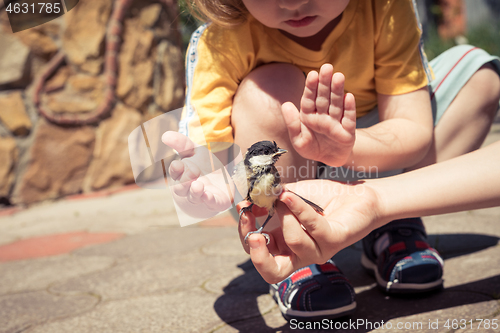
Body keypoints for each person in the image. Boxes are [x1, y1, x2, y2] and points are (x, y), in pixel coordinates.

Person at [165, 0, 500, 320]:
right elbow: (208, 143)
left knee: (480, 76)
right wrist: (215, 176)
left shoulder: (385, 7)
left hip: (374, 154)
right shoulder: (224, 35)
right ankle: (291, 245)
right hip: (282, 175)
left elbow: (412, 127)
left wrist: (348, 148)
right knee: (268, 88)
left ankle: (395, 220)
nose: (293, 3)